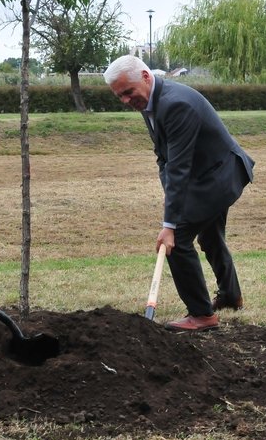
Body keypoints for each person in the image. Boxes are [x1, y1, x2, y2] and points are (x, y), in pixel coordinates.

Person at [104, 55, 255, 332]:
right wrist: (171, 197)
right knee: (209, 236)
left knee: (177, 240)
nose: (126, 100)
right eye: (119, 96)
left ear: (146, 77)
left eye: (128, 92)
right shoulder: (150, 100)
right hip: (209, 175)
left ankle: (202, 315)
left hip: (220, 176)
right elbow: (164, 157)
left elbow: (178, 166)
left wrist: (169, 224)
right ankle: (231, 296)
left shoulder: (176, 105)